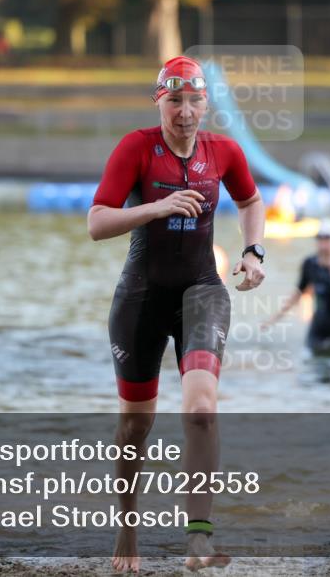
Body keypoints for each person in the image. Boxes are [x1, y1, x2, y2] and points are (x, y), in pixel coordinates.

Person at [87, 55, 266, 573]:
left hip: (201, 292)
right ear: (158, 102)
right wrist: (157, 208)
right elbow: (97, 222)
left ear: (206, 103)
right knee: (134, 427)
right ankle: (126, 528)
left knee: (202, 409)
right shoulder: (136, 149)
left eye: (194, 101)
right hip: (141, 298)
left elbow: (252, 203)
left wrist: (254, 253)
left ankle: (199, 541)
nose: (185, 113)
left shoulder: (225, 152)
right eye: (174, 102)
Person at [265, 219, 330, 354]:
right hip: (318, 327)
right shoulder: (310, 264)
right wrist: (273, 320)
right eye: (320, 238)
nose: (323, 243)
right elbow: (297, 294)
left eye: (327, 238)